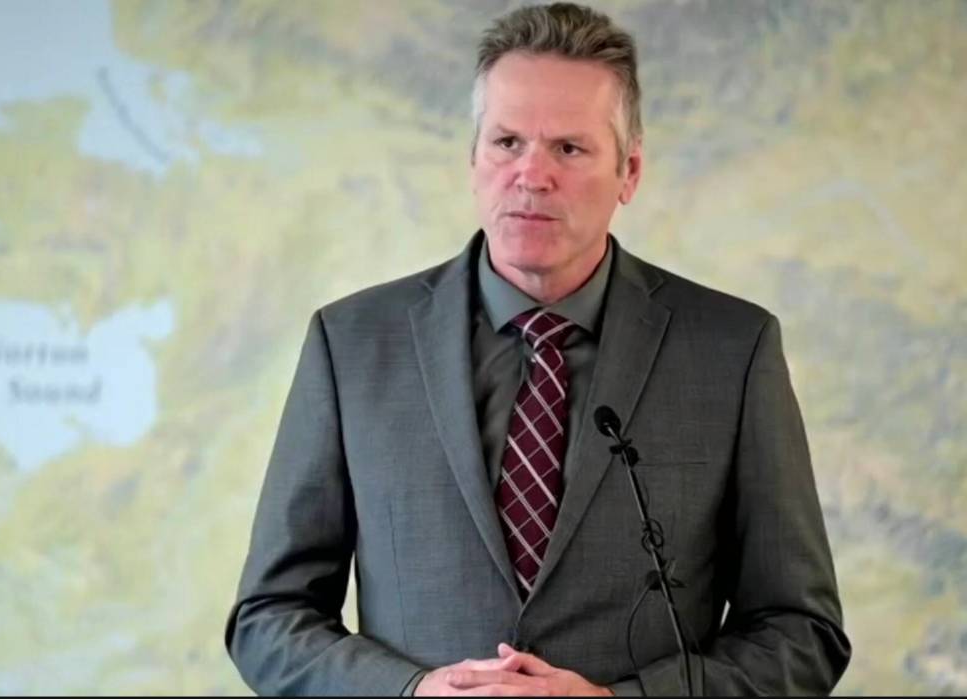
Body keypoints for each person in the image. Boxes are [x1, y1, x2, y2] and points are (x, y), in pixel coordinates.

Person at [225, 3, 851, 695]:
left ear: (630, 172)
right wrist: (412, 692)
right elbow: (269, 618)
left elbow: (802, 633)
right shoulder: (351, 344)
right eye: (506, 142)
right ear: (472, 159)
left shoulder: (733, 350)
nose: (531, 174)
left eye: (569, 149)